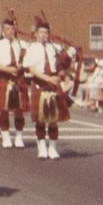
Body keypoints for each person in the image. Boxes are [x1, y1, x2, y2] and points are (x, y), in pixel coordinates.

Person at [21, 17, 70, 159]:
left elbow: (61, 66)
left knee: (53, 119)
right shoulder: (32, 49)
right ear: (36, 34)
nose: (43, 35)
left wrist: (62, 72)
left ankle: (53, 148)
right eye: (41, 32)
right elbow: (31, 69)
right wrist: (48, 79)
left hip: (54, 86)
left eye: (46, 32)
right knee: (41, 119)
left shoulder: (54, 48)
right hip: (40, 85)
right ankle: (41, 146)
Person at [0, 17, 30, 149]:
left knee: (19, 110)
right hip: (4, 79)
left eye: (12, 29)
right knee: (4, 110)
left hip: (18, 80)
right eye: (7, 29)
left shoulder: (22, 45)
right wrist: (7, 69)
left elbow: (29, 63)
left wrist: (21, 67)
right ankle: (5, 135)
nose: (10, 31)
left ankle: (18, 136)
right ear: (3, 31)